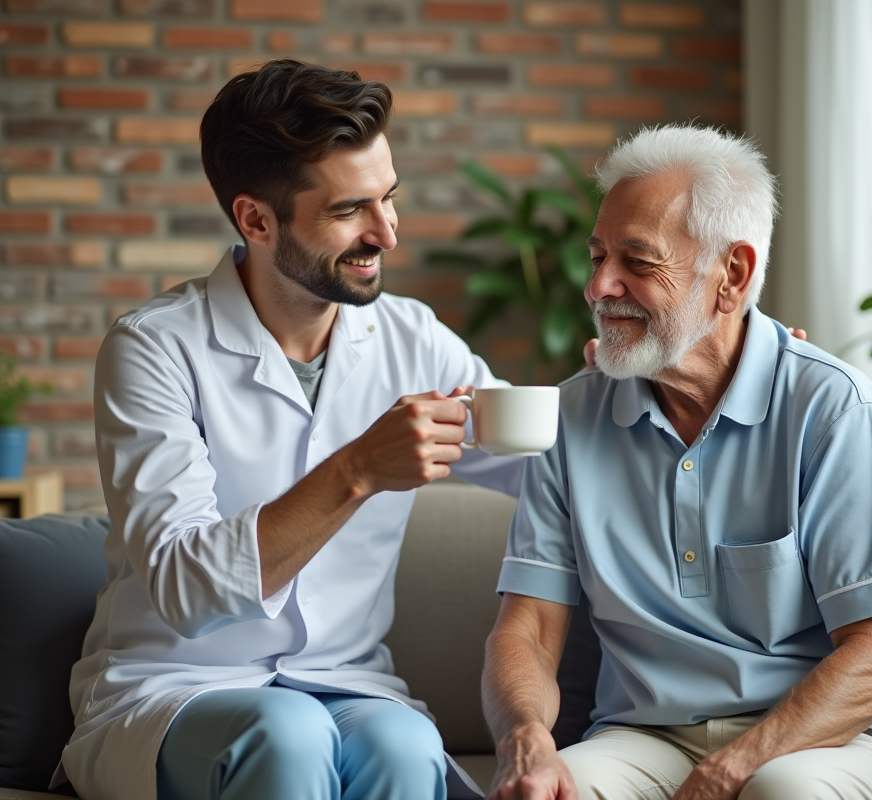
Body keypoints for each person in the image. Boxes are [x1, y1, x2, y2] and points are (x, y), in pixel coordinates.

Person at [56, 60, 525, 800]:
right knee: (287, 732)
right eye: (349, 210)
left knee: (408, 746)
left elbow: (540, 464)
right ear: (256, 220)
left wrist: (645, 386)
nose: (386, 234)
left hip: (345, 682)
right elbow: (185, 586)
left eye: (389, 198)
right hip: (179, 685)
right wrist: (357, 470)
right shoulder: (153, 348)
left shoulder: (414, 339)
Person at [481, 124, 872, 800]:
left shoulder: (832, 407)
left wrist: (731, 770)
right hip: (649, 734)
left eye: (637, 261)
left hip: (844, 732)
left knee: (780, 794)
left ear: (731, 275)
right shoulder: (570, 418)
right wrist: (526, 735)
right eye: (597, 256)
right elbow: (527, 629)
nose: (598, 286)